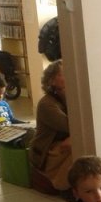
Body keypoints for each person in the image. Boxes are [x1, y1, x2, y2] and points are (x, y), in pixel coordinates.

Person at [29, 59, 72, 194]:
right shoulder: (46, 104)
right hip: (46, 151)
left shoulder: (66, 97)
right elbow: (71, 126)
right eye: (64, 73)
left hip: (62, 144)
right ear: (52, 81)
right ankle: (63, 185)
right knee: (78, 145)